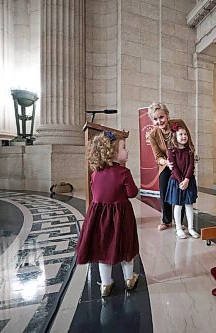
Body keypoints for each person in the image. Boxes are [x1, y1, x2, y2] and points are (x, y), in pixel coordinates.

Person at [76, 130, 139, 297]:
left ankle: (106, 284)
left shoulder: (95, 174)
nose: (127, 151)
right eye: (124, 148)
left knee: (103, 251)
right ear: (112, 153)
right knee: (126, 248)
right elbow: (132, 193)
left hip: (99, 218)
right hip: (121, 217)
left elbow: (96, 194)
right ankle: (129, 279)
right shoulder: (124, 173)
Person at [148, 102, 194, 231]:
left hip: (183, 163)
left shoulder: (178, 123)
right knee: (164, 189)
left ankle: (180, 220)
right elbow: (157, 157)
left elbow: (188, 141)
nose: (159, 121)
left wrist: (191, 157)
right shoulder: (153, 135)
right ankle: (166, 220)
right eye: (155, 119)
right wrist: (166, 162)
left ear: (167, 115)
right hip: (167, 165)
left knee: (183, 189)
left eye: (161, 117)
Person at [165, 123, 200, 239]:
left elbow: (191, 165)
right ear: (175, 136)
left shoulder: (189, 149)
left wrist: (186, 180)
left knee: (189, 205)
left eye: (185, 134)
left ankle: (190, 228)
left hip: (188, 181)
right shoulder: (171, 150)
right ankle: (179, 228)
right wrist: (181, 181)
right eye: (181, 134)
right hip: (176, 181)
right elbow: (173, 167)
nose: (184, 136)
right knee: (178, 205)